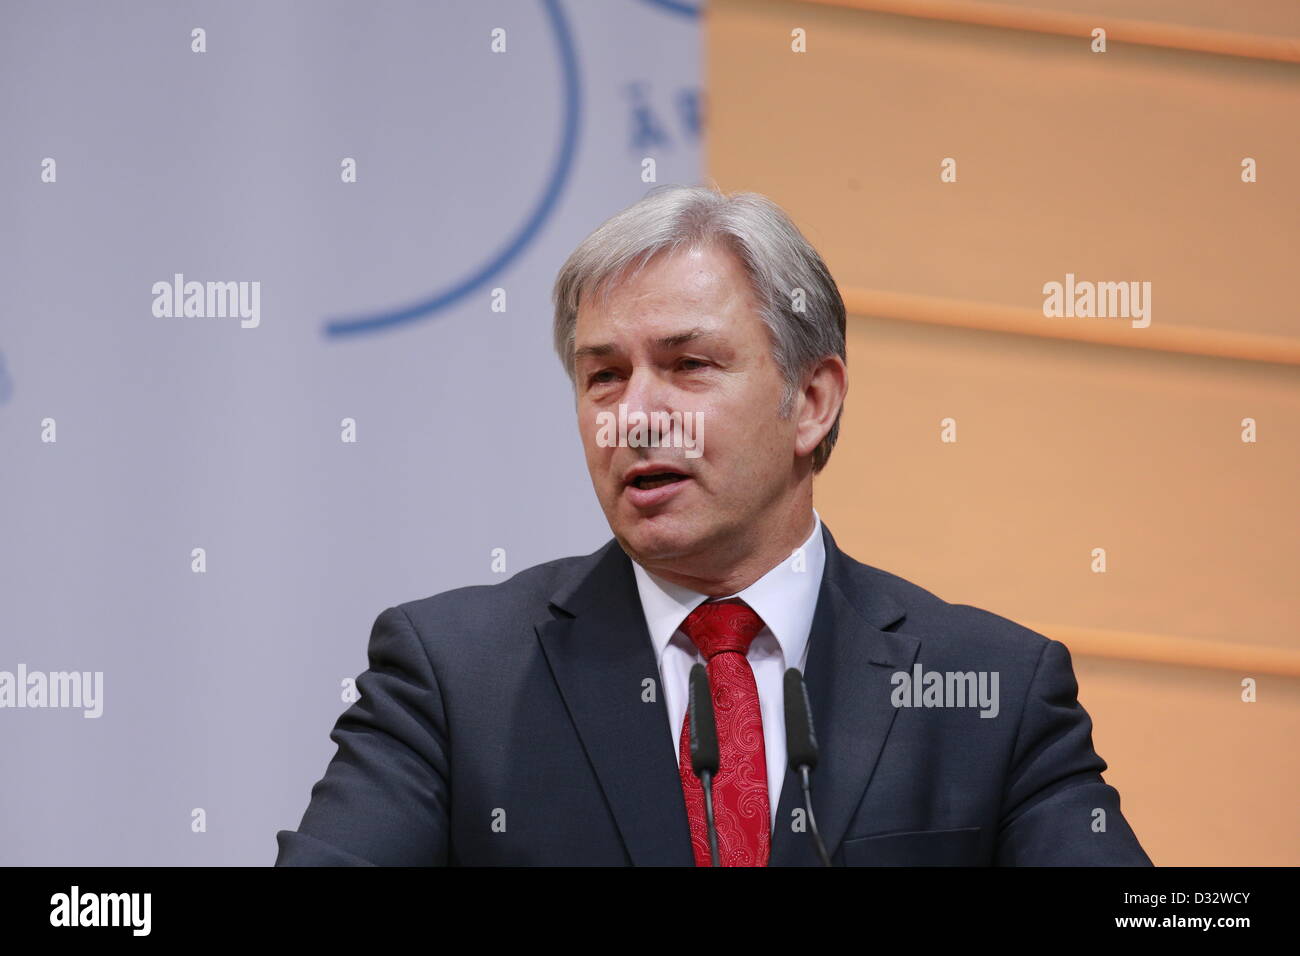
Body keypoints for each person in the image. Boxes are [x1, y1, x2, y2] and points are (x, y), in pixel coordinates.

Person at [275, 184, 1152, 866]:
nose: (636, 416)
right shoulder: (456, 678)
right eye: (604, 377)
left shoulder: (987, 687)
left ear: (811, 401)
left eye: (688, 365)